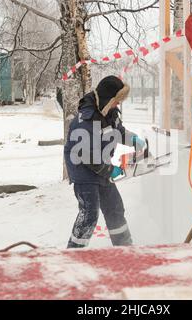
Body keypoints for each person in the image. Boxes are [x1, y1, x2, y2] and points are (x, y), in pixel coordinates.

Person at [64, 76, 146, 248]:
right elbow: (87, 155)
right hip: (84, 173)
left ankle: (124, 247)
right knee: (89, 214)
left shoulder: (110, 112)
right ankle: (74, 253)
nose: (118, 105)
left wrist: (133, 140)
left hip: (103, 170)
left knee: (115, 208)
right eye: (116, 101)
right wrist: (110, 170)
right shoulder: (85, 119)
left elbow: (119, 131)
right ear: (107, 99)